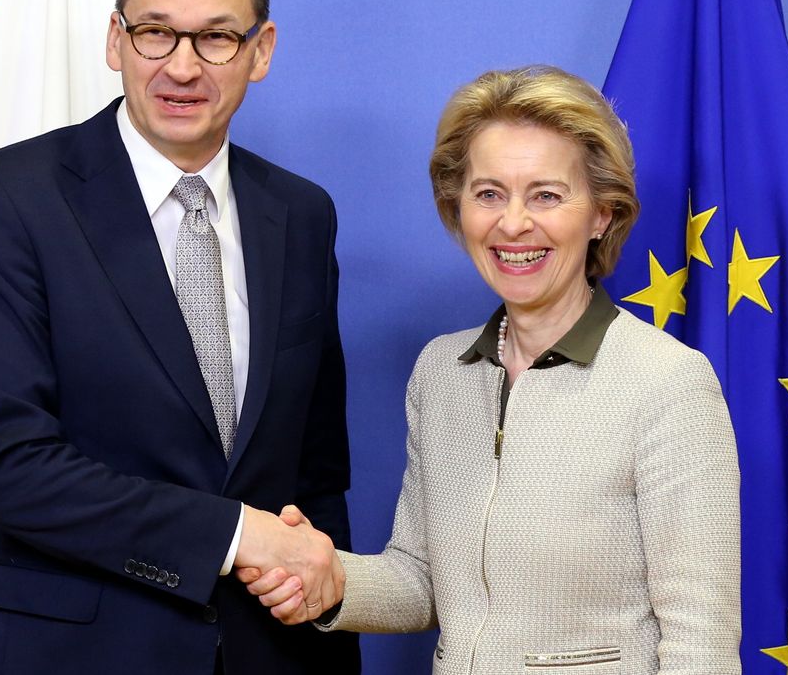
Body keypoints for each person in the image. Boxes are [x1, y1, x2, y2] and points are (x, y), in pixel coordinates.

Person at [0, 0, 356, 674]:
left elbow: (316, 471)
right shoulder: (9, 197)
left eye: (217, 37)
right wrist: (235, 534)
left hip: (270, 653)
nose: (182, 66)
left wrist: (324, 611)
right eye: (155, 32)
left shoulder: (301, 214)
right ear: (115, 40)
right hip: (76, 653)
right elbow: (6, 464)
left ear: (261, 50)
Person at [244, 66, 741, 673]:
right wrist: (329, 577)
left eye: (546, 195)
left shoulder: (667, 382)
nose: (512, 224)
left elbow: (702, 646)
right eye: (489, 193)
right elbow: (422, 579)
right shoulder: (441, 372)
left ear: (602, 214)